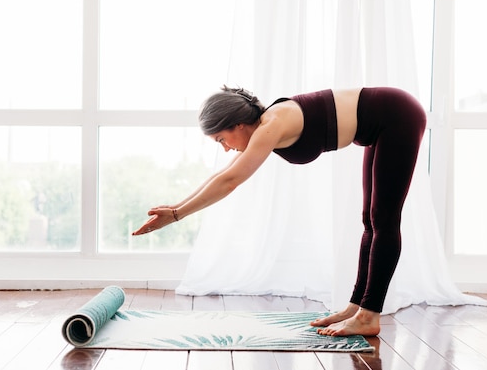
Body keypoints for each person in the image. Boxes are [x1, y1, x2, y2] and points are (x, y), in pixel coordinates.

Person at [132, 85, 426, 337]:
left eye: (221, 139)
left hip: (397, 115)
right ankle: (356, 307)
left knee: (383, 220)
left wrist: (178, 216)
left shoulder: (270, 125)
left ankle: (369, 315)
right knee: (370, 221)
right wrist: (175, 206)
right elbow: (224, 174)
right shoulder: (266, 124)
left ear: (237, 125)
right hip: (380, 124)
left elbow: (230, 181)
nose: (225, 148)